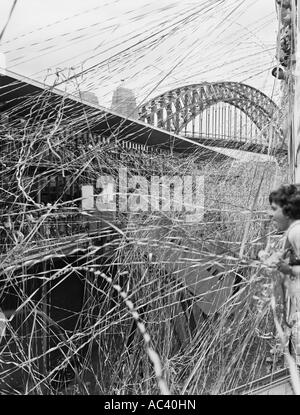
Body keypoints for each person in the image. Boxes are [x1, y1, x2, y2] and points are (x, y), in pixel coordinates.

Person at [268, 184, 300, 365]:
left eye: (274, 209)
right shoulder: (292, 231)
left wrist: (287, 269)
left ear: (288, 211)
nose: (270, 214)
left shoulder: (297, 231)